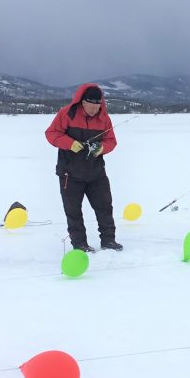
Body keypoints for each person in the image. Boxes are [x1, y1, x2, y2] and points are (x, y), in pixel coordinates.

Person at [45, 84, 122, 252]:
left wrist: (101, 148)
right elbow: (51, 133)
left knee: (105, 207)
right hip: (69, 173)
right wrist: (70, 143)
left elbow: (111, 141)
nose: (94, 111)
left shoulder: (104, 118)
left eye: (97, 107)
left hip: (96, 173)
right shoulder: (66, 114)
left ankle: (109, 241)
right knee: (73, 211)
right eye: (91, 107)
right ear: (83, 103)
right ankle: (80, 244)